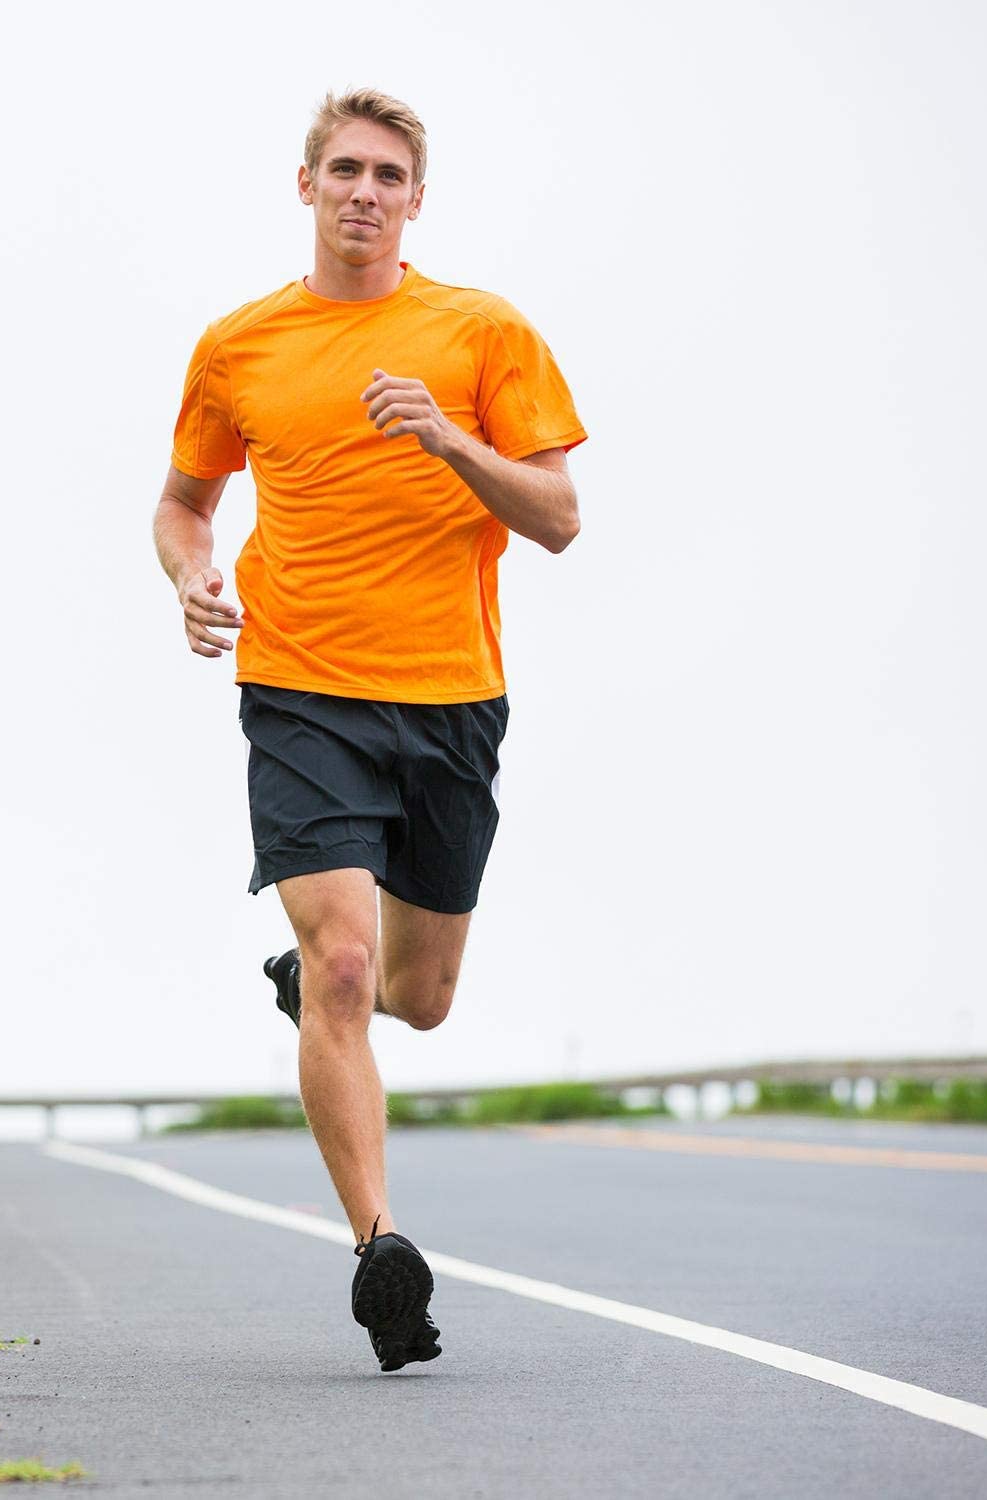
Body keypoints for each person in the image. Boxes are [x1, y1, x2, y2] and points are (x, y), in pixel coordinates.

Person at [152, 87, 587, 1371]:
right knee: (345, 964)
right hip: (300, 689)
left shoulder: (483, 332)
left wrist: (447, 438)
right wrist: (188, 574)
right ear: (307, 186)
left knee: (420, 998)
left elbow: (558, 517)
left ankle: (315, 1002)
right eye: (343, 169)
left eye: (388, 175)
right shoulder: (240, 346)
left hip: (451, 697)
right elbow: (183, 502)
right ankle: (379, 1249)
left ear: (416, 200)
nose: (364, 192)